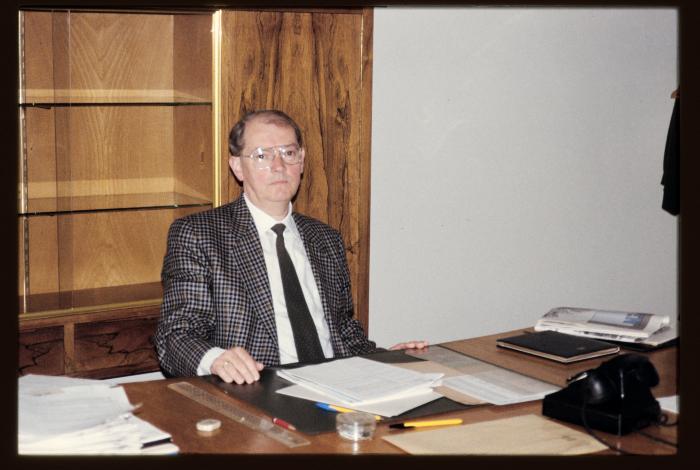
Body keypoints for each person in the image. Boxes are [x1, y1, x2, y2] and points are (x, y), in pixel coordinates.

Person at [155, 109, 427, 384]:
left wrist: (386, 361)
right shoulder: (200, 235)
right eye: (262, 155)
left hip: (339, 387)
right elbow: (176, 336)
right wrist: (216, 359)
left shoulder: (325, 239)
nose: (278, 166)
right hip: (259, 391)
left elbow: (344, 333)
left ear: (302, 161)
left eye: (288, 153)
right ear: (237, 166)